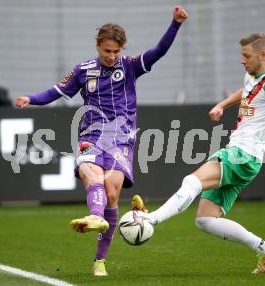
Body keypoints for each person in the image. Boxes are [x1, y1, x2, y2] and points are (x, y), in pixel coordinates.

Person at [132, 33, 265, 274]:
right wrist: (222, 105)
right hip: (244, 157)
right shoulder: (254, 76)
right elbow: (246, 91)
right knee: (205, 220)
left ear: (263, 55)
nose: (242, 61)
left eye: (246, 56)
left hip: (243, 154)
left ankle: (150, 219)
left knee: (192, 181)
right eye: (242, 56)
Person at [15, 6, 188, 276]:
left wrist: (175, 23)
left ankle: (99, 260)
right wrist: (31, 99)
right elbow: (56, 91)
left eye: (116, 51)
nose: (112, 56)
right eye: (107, 50)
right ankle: (95, 217)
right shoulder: (83, 70)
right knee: (92, 175)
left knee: (112, 193)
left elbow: (159, 51)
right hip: (91, 135)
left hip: (122, 139)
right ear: (98, 47)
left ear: (122, 49)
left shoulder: (130, 66)